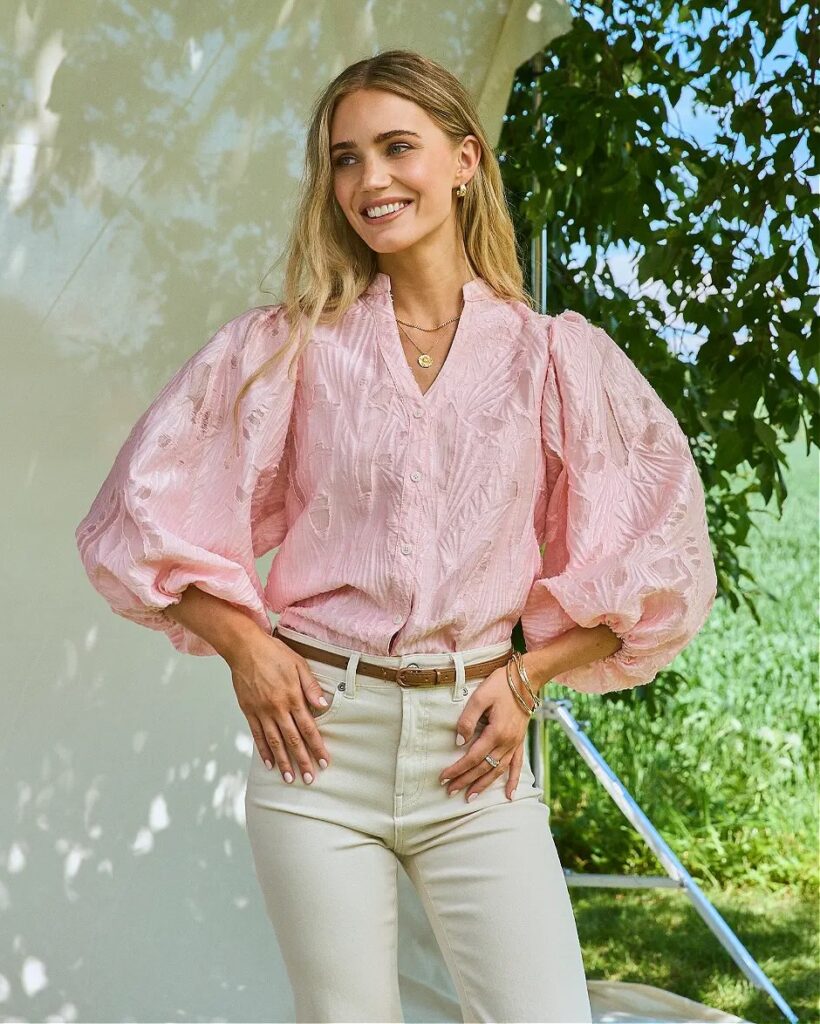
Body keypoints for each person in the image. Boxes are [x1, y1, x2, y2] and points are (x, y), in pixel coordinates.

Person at [75, 48, 717, 1024]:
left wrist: (529, 676)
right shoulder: (290, 347)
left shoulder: (550, 357)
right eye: (346, 158)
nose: (369, 178)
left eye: (396, 147)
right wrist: (247, 646)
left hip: (474, 747)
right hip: (319, 746)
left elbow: (660, 554)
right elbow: (140, 516)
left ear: (464, 160)